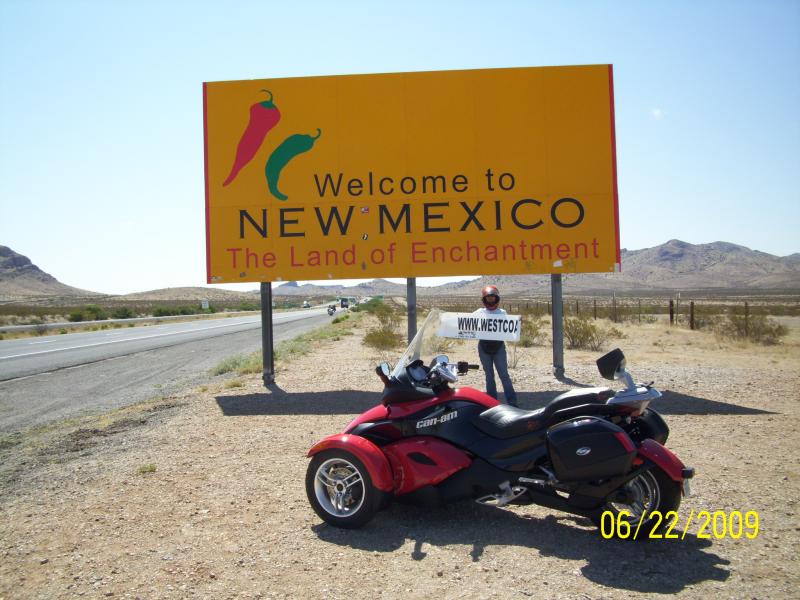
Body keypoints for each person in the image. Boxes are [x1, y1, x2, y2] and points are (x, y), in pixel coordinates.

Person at [473, 285, 518, 407]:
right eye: (488, 298)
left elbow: (508, 327)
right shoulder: (478, 313)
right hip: (483, 346)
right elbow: (467, 323)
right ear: (484, 299)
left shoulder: (502, 313)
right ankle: (491, 402)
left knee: (504, 374)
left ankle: (512, 401)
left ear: (497, 298)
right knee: (489, 375)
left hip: (499, 347)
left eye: (493, 297)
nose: (491, 300)